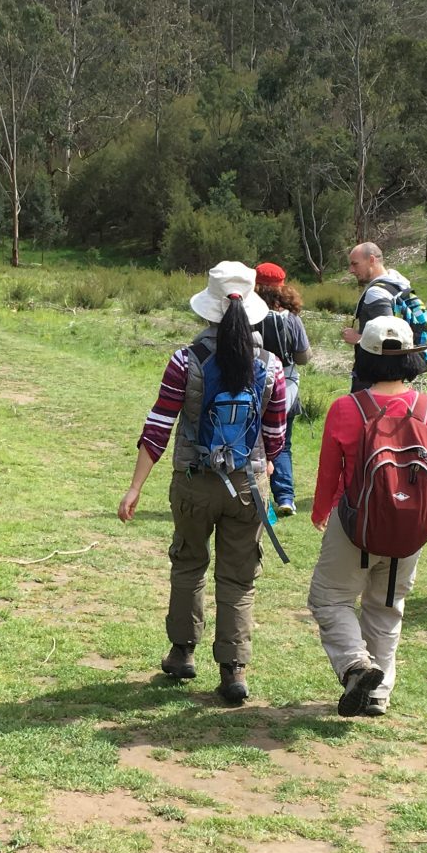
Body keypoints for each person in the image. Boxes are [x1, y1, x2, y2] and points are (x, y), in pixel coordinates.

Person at [118, 261, 290, 706]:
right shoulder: (271, 366)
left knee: (188, 563)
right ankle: (233, 669)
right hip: (247, 485)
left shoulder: (184, 360)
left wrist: (135, 487)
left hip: (194, 481)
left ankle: (181, 652)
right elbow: (276, 437)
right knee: (238, 577)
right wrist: (267, 470)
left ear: (207, 310)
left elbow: (158, 425)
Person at [308, 317, 427, 718]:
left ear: (364, 355)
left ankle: (356, 666)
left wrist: (321, 510)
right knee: (386, 608)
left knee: (330, 599)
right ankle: (379, 694)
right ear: (411, 359)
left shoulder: (347, 408)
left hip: (355, 524)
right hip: (410, 528)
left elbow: (330, 471)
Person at [253, 262, 312, 516]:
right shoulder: (292, 319)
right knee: (283, 444)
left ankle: (255, 497)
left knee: (254, 442)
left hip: (254, 384)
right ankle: (285, 497)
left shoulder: (248, 314)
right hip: (286, 385)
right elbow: (303, 357)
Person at [340, 243, 421, 393]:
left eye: (355, 264)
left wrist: (357, 337)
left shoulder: (376, 293)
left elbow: (388, 338)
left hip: (375, 376)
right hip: (396, 376)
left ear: (371, 260)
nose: (351, 270)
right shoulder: (398, 284)